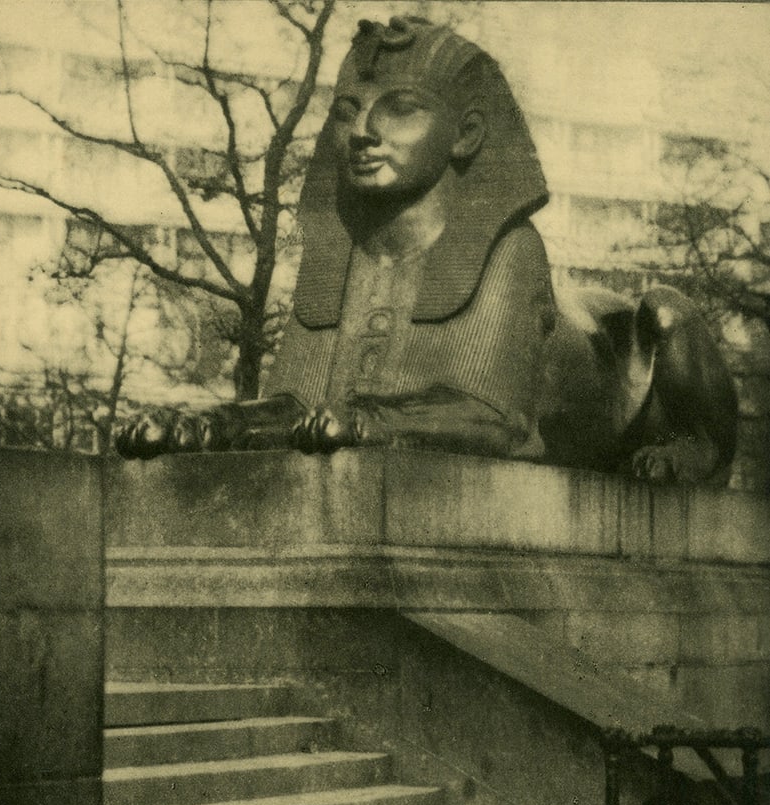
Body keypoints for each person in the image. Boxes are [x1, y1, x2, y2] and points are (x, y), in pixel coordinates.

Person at [116, 16, 737, 484]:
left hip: (631, 396)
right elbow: (300, 409)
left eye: (399, 110)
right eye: (348, 113)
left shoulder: (509, 250)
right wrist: (213, 427)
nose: (361, 133)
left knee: (665, 311)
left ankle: (698, 444)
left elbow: (499, 422)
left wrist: (373, 421)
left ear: (466, 134)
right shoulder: (342, 256)